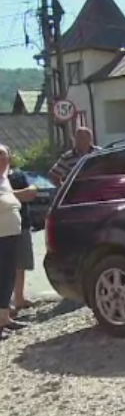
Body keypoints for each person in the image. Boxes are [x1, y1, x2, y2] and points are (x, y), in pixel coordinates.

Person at [0, 144, 35, 339]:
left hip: (11, 233)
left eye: (5, 157)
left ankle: (5, 318)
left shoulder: (5, 178)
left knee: (8, 278)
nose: (3, 161)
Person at [7, 162, 37, 315]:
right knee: (5, 266)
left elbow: (32, 192)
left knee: (21, 263)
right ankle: (6, 304)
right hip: (3, 228)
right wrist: (19, 194)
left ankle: (19, 298)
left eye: (4, 156)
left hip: (22, 223)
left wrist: (8, 194)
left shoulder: (18, 174)